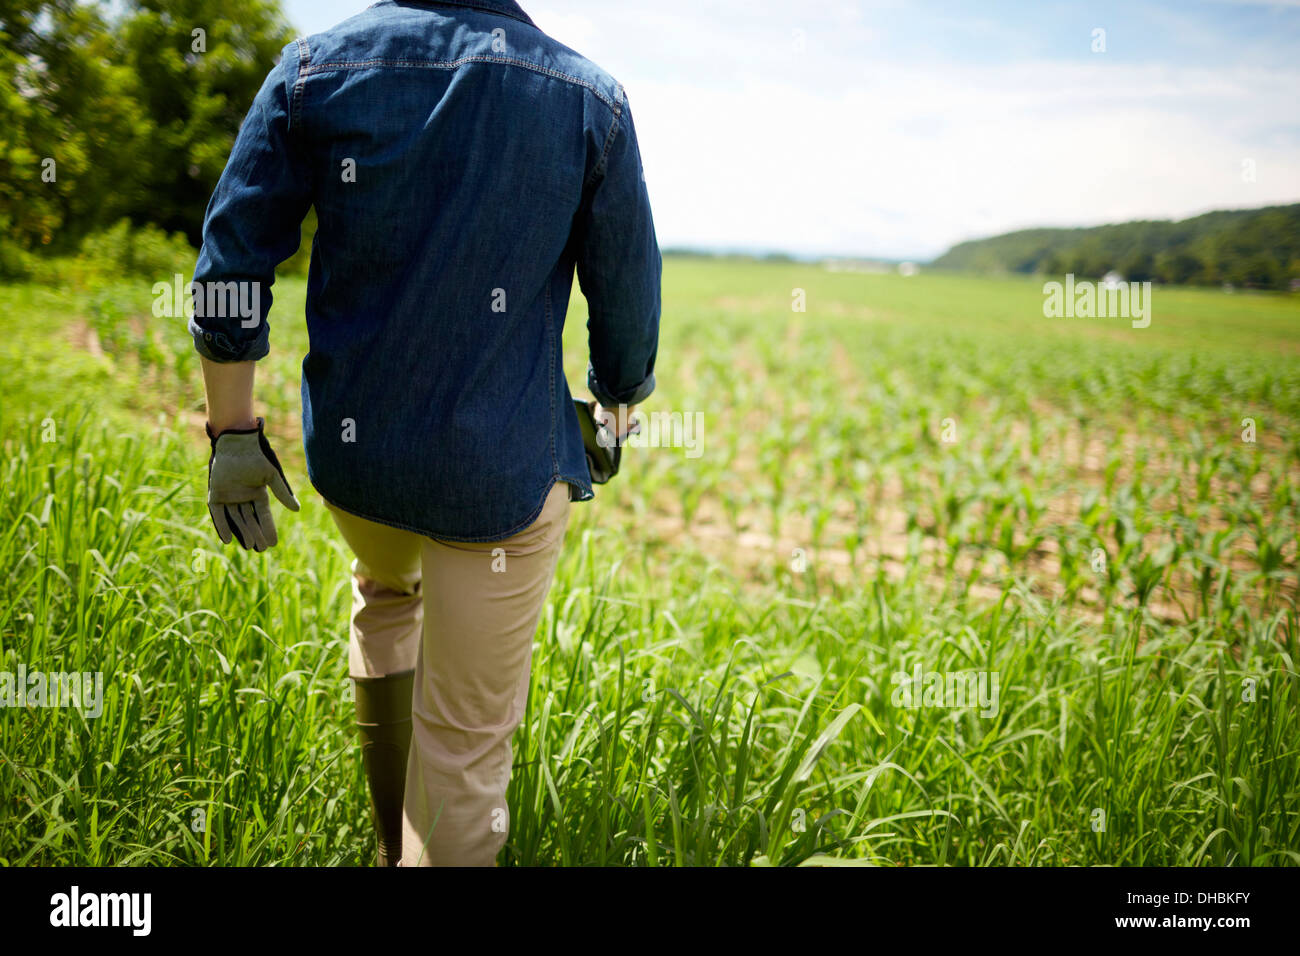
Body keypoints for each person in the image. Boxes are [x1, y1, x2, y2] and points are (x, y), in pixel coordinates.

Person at [189, 0, 661, 867]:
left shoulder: (311, 71)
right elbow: (626, 305)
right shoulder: (592, 100)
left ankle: (386, 844)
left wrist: (231, 436)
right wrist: (613, 408)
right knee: (465, 750)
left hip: (355, 462)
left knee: (387, 595)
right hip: (499, 479)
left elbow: (229, 270)